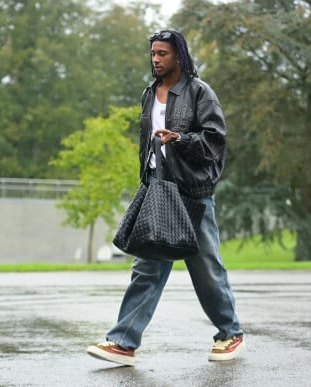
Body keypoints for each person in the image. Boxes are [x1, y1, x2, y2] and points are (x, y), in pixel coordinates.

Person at [87, 29, 244, 367]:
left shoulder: (200, 93)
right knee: (147, 267)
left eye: (163, 54)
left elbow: (215, 142)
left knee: (206, 270)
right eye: (153, 54)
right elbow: (146, 144)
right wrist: (146, 179)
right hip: (158, 191)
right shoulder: (149, 93)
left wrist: (181, 139)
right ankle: (124, 342)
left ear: (179, 56)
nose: (156, 59)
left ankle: (230, 334)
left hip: (192, 197)